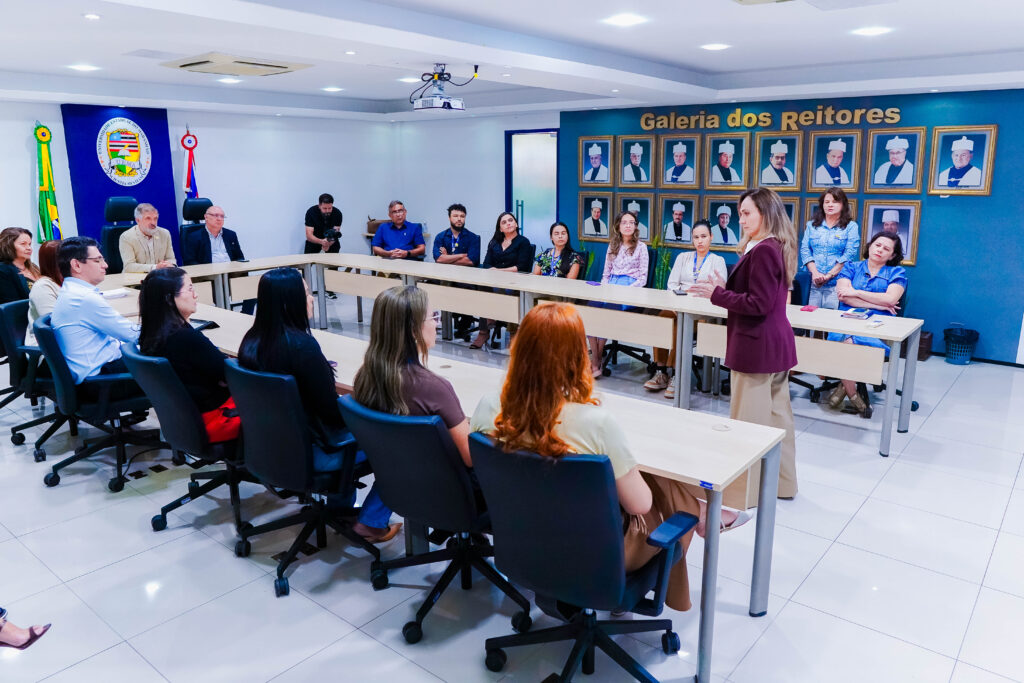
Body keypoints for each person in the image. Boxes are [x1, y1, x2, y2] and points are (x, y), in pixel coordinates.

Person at [470, 302, 745, 613]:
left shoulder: (489, 406)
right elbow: (640, 505)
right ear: (577, 356)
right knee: (661, 488)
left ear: (519, 349)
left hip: (521, 537)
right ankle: (701, 513)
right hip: (595, 554)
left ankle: (702, 511)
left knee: (647, 478)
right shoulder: (596, 424)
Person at [238, 267, 400, 543]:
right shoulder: (302, 347)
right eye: (306, 293)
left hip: (269, 449)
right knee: (400, 447)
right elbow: (333, 415)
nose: (312, 298)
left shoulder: (251, 341)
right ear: (290, 302)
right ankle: (371, 524)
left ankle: (340, 511)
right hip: (312, 454)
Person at [689, 187, 799, 506]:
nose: (742, 219)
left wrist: (717, 294)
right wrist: (725, 290)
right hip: (775, 345)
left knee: (747, 427)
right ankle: (783, 485)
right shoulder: (775, 245)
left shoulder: (763, 250)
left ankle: (743, 496)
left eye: (747, 213)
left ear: (766, 213)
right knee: (778, 422)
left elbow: (758, 304)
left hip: (756, 346)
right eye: (740, 214)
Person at [353, 286, 472, 467]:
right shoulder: (435, 388)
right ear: (414, 331)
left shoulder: (364, 376)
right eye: (433, 317)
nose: (437, 324)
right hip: (438, 482)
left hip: (391, 478)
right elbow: (470, 458)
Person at [138, 268, 240, 443]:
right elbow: (230, 375)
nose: (196, 295)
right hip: (216, 419)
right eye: (190, 289)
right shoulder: (185, 338)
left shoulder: (152, 334)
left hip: (187, 422)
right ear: (169, 299)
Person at [826, 232, 908, 417]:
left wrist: (856, 292)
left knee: (850, 342)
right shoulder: (851, 266)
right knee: (847, 339)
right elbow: (843, 296)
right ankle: (852, 392)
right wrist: (878, 304)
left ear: (892, 255)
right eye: (877, 245)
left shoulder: (897, 272)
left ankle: (846, 387)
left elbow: (891, 299)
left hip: (879, 325)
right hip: (846, 319)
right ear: (870, 245)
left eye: (886, 248)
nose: (880, 250)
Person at [645, 220, 727, 398]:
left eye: (704, 236)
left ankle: (676, 375)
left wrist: (696, 293)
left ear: (711, 237)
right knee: (662, 319)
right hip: (678, 305)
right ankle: (661, 372)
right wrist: (679, 303)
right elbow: (672, 284)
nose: (700, 241)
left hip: (702, 311)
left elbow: (719, 290)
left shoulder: (718, 261)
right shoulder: (683, 257)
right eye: (696, 237)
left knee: (679, 325)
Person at [51, 237, 139, 383]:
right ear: (76, 265)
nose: (105, 265)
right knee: (169, 353)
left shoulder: (72, 291)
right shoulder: (84, 298)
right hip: (101, 378)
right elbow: (132, 335)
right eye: (97, 261)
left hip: (98, 368)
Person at [588, 211, 647, 377]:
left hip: (630, 288)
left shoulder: (641, 247)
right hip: (610, 286)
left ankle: (596, 361)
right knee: (591, 308)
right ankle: (596, 355)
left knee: (608, 311)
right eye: (624, 222)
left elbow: (642, 279)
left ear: (635, 226)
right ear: (618, 226)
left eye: (631, 222)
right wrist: (604, 290)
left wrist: (626, 291)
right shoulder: (612, 245)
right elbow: (605, 274)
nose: (628, 225)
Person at [470, 212, 533, 349]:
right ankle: (483, 332)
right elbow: (486, 264)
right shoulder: (494, 242)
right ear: (500, 228)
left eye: (511, 220)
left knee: (512, 295)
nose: (508, 223)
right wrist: (494, 271)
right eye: (504, 222)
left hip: (515, 282)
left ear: (516, 224)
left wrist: (498, 271)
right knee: (482, 287)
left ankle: (513, 333)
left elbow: (521, 267)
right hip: (495, 281)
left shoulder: (523, 242)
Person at [800, 188, 860, 309]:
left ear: (843, 204)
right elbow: (805, 250)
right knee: (810, 317)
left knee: (831, 318)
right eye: (826, 202)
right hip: (813, 283)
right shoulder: (811, 225)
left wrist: (828, 275)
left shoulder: (851, 226)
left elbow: (849, 254)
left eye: (835, 202)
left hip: (836, 284)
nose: (830, 205)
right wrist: (815, 274)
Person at [432, 203, 480, 335]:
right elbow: (439, 259)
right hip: (445, 276)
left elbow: (471, 261)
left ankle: (465, 320)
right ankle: (437, 319)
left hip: (466, 277)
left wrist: (448, 257)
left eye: (462, 216)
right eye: (455, 216)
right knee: (429, 284)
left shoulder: (473, 238)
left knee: (466, 288)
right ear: (449, 218)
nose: (459, 219)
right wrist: (460, 255)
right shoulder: (441, 237)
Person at [118, 203, 176, 272]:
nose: (153, 223)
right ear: (138, 220)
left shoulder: (164, 233)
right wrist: (155, 267)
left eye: (155, 218)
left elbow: (171, 259)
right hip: (135, 277)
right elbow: (129, 266)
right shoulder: (126, 237)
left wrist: (170, 265)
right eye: (148, 218)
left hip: (160, 276)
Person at [26, 240, 62, 346]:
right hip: (46, 346)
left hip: (68, 340)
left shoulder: (67, 282)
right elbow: (53, 324)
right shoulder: (43, 286)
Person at [0, 227, 39, 302]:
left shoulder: (34, 267)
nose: (29, 248)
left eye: (29, 244)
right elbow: (12, 304)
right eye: (23, 244)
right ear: (9, 246)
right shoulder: (3, 270)